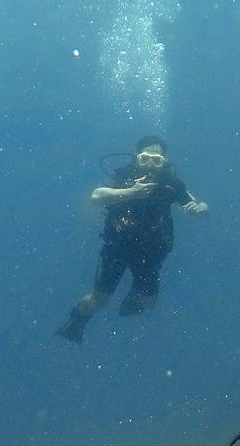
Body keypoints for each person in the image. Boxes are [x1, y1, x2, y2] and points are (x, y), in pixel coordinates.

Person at [56, 135, 209, 344]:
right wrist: (132, 192)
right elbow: (96, 196)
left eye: (157, 160)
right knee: (99, 300)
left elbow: (200, 205)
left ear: (164, 162)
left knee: (149, 302)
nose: (150, 165)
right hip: (117, 247)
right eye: (145, 158)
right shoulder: (123, 176)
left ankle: (133, 299)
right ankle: (77, 320)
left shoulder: (171, 184)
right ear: (136, 158)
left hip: (151, 252)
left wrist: (201, 210)